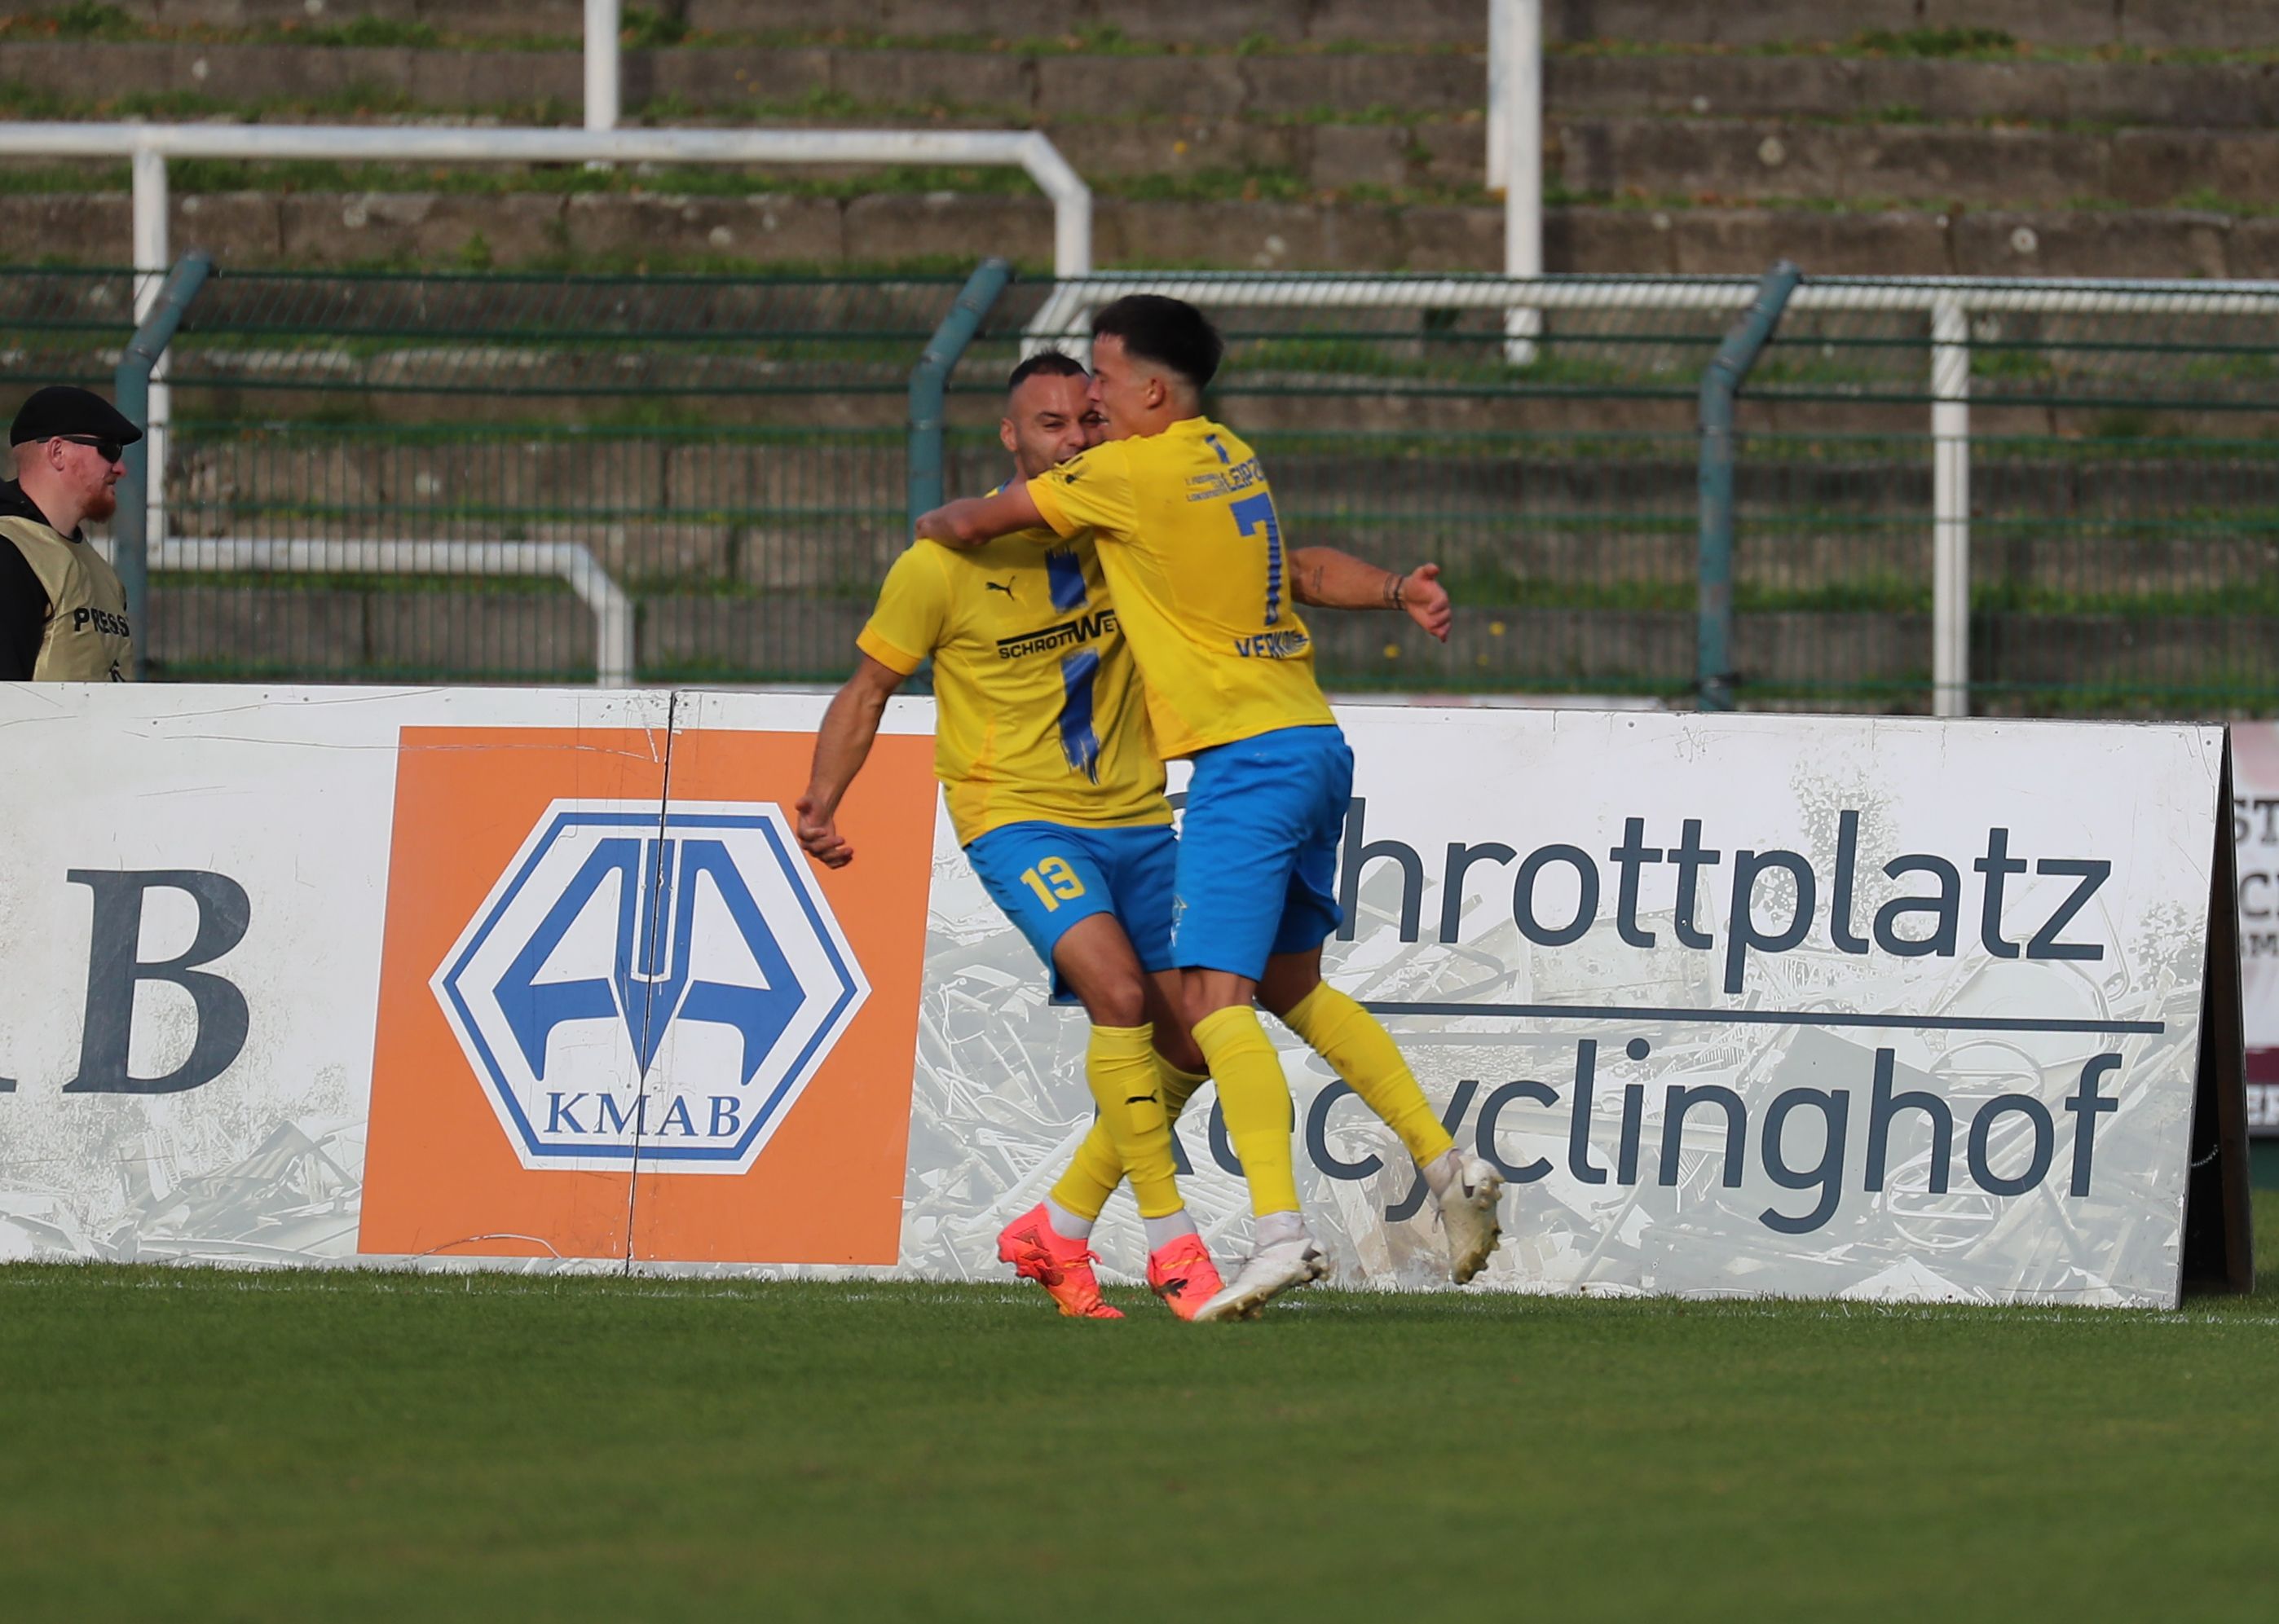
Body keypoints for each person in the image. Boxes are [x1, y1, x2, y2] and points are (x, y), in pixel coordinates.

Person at [914, 296, 1505, 1322]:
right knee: (1291, 989)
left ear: (1148, 389)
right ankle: (1446, 1166)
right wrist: (1395, 586)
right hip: (1314, 742)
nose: (1088, 399)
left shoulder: (1124, 474)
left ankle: (1278, 1237)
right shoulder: (1227, 452)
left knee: (1207, 1008)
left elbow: (968, 522)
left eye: (1099, 379)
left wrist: (937, 526)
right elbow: (1300, 572)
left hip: (1245, 766)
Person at [798, 351, 1223, 1321]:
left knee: (1196, 1037)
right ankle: (1173, 1247)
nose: (1074, 439)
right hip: (1019, 818)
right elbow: (870, 687)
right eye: (1050, 425)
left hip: (1138, 820)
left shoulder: (1132, 533)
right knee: (1118, 994)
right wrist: (823, 800)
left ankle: (1058, 1228)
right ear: (1010, 436)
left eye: (1087, 421)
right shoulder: (942, 564)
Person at [0, 385, 143, 682]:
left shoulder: (100, 573)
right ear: (57, 451)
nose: (120, 468)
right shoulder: (9, 552)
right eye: (108, 449)